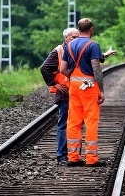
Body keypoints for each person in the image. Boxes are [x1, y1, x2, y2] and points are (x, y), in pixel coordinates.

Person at [59, 18, 111, 167]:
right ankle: (91, 158)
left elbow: (62, 69)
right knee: (90, 121)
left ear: (78, 29)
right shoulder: (93, 45)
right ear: (91, 29)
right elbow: (96, 68)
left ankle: (73, 157)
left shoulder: (69, 45)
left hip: (74, 87)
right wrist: (101, 90)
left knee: (74, 121)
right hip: (88, 87)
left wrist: (73, 78)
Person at [40, 27, 79, 164]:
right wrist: (54, 84)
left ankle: (74, 155)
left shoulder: (77, 49)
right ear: (66, 38)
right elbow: (44, 68)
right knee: (63, 124)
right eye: (73, 37)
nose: (76, 40)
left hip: (77, 92)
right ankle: (61, 156)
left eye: (77, 37)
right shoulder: (59, 51)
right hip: (65, 93)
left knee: (75, 124)